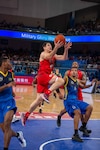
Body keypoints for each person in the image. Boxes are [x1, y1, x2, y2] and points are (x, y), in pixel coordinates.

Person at [21, 41, 72, 126]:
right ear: (44, 47)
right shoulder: (43, 54)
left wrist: (66, 49)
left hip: (44, 78)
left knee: (38, 101)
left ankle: (26, 116)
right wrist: (56, 47)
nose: (50, 47)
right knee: (61, 80)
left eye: (51, 46)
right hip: (43, 75)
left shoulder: (53, 55)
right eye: (48, 45)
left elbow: (64, 58)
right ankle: (47, 93)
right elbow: (49, 56)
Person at [57, 61, 93, 133]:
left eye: (75, 70)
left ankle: (83, 126)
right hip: (69, 99)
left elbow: (83, 86)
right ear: (70, 70)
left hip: (77, 95)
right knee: (76, 111)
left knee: (86, 109)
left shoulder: (79, 77)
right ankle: (60, 116)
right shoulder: (67, 76)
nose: (74, 71)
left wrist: (91, 85)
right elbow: (58, 83)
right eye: (73, 69)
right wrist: (59, 93)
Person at [0, 55, 26, 150]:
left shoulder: (11, 73)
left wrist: (12, 91)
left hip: (9, 102)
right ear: (3, 63)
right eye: (9, 62)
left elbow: (11, 82)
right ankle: (18, 135)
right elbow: (8, 84)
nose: (11, 64)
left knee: (7, 125)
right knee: (6, 130)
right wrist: (7, 86)